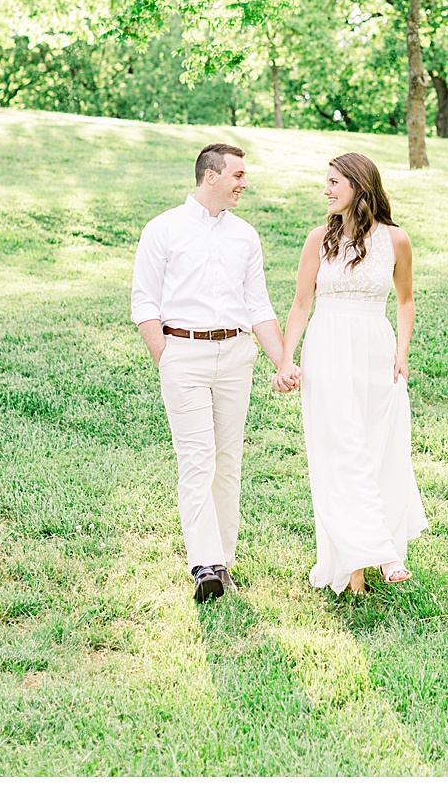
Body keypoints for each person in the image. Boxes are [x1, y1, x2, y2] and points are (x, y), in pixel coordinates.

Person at [132, 142, 300, 603]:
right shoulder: (162, 229)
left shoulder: (244, 235)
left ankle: (222, 562)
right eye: (239, 175)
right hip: (183, 354)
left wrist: (282, 360)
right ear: (211, 176)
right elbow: (144, 301)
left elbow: (259, 306)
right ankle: (203, 562)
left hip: (236, 356)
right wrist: (164, 356)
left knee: (228, 462)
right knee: (196, 458)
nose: (245, 183)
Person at [279, 152, 428, 595]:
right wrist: (288, 358)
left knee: (375, 449)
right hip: (327, 349)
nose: (325, 190)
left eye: (333, 183)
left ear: (359, 187)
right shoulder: (317, 240)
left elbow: (405, 300)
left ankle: (357, 572)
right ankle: (382, 553)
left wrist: (401, 352)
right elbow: (301, 303)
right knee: (339, 451)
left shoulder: (396, 240)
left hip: (374, 351)